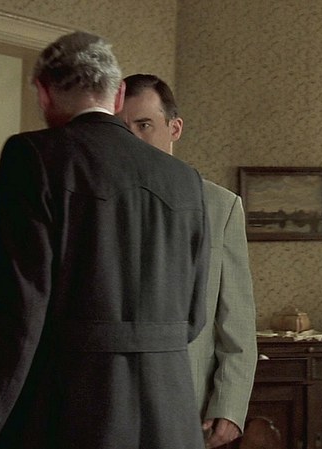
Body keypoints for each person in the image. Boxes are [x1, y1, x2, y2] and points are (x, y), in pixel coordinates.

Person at [0, 32, 209, 449]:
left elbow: (15, 315)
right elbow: (193, 318)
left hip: (73, 411)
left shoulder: (34, 156)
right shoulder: (185, 179)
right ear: (117, 96)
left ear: (43, 93)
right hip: (172, 416)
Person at [119, 73, 258, 448]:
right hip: (112, 402)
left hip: (188, 402)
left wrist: (229, 405)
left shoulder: (220, 206)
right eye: (122, 128)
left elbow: (237, 319)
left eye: (144, 125)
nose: (132, 139)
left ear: (174, 128)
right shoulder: (98, 202)